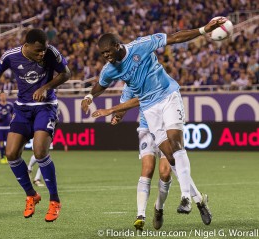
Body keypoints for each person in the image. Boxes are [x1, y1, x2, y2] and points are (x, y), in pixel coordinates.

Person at [82, 19, 225, 224]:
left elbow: (174, 37)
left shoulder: (141, 45)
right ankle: (192, 201)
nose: (105, 57)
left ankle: (186, 197)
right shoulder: (111, 70)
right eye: (102, 54)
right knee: (170, 155)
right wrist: (88, 97)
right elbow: (101, 85)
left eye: (107, 52)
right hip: (148, 110)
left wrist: (203, 30)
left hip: (168, 96)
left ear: (117, 45)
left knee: (175, 143)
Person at [0, 28, 71, 222]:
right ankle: (31, 194)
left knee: (40, 151)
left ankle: (55, 200)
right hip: (22, 109)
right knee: (11, 154)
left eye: (44, 50)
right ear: (27, 45)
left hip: (45, 107)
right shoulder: (11, 56)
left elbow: (66, 73)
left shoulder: (51, 53)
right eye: (38, 50)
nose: (42, 53)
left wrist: (46, 87)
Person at [92, 85, 212, 230]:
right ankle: (140, 215)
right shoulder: (129, 82)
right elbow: (125, 105)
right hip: (146, 128)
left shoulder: (152, 75)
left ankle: (159, 208)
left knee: (166, 172)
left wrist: (111, 110)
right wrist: (118, 115)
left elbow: (141, 99)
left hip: (166, 127)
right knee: (147, 168)